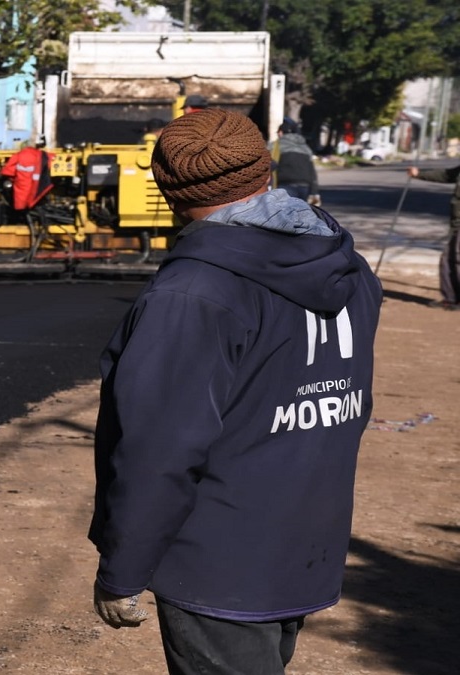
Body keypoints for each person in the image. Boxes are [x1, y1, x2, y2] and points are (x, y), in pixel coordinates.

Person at [88, 108, 382, 674]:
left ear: (167, 189)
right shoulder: (350, 270)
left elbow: (160, 450)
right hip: (303, 542)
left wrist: (123, 570)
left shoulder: (192, 294)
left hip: (219, 559)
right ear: (266, 169)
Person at [407, 163, 460, 309]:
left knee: (457, 257)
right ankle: (451, 298)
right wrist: (418, 174)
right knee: (448, 259)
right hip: (456, 223)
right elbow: (445, 175)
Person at [271, 119, 321, 205]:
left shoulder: (276, 145)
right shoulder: (305, 147)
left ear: (281, 132)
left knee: (285, 211)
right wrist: (314, 191)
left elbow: (269, 165)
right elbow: (311, 171)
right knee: (300, 211)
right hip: (304, 186)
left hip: (285, 185)